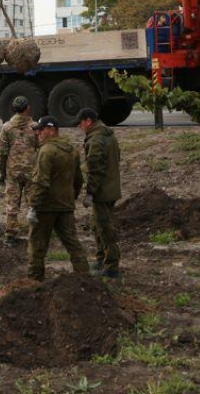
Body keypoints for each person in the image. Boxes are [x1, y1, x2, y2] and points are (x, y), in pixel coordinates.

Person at [26, 115, 89, 281]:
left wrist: (33, 207)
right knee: (73, 243)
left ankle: (34, 282)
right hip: (65, 206)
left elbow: (41, 182)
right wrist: (70, 199)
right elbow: (78, 180)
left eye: (41, 130)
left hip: (46, 207)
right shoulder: (71, 150)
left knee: (37, 247)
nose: (38, 133)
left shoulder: (46, 151)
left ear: (51, 129)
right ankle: (85, 279)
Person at [76, 108, 122, 278]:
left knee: (105, 228)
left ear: (88, 121)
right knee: (98, 225)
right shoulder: (109, 135)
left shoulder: (95, 140)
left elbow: (95, 170)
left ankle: (111, 266)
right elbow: (116, 158)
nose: (81, 127)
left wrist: (90, 193)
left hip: (102, 193)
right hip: (112, 189)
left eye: (81, 123)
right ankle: (102, 259)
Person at [0, 96, 38, 245]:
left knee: (12, 205)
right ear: (27, 108)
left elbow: (2, 152)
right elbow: (40, 147)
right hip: (31, 170)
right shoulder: (34, 127)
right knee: (33, 203)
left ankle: (10, 235)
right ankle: (35, 233)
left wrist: (2, 171)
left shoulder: (7, 127)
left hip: (13, 171)